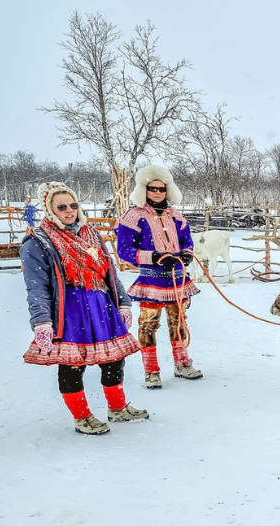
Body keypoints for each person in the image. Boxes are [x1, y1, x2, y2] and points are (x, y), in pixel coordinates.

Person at [21, 182, 147, 435]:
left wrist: (122, 302)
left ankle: (117, 407)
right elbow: (36, 287)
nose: (69, 210)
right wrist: (42, 321)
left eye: (73, 205)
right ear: (49, 209)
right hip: (69, 312)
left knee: (113, 359)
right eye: (62, 207)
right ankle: (82, 416)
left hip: (101, 306)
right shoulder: (38, 242)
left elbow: (109, 272)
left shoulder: (90, 234)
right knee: (71, 364)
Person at [116, 165, 202, 389]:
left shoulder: (176, 215)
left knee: (179, 321)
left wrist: (186, 254)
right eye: (152, 189)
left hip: (177, 277)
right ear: (144, 189)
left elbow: (187, 241)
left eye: (161, 189)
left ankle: (182, 363)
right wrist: (153, 257)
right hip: (152, 279)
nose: (157, 193)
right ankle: (151, 370)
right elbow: (124, 250)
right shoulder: (133, 216)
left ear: (167, 190)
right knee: (148, 324)